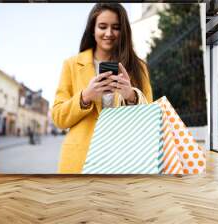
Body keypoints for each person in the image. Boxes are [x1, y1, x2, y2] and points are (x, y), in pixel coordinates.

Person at [52, 3, 153, 174]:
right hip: (80, 160)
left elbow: (150, 120)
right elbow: (58, 118)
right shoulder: (71, 65)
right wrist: (85, 97)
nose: (109, 33)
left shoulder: (139, 67)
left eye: (116, 27)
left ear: (124, 31)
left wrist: (131, 97)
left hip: (125, 159)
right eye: (102, 26)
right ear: (92, 29)